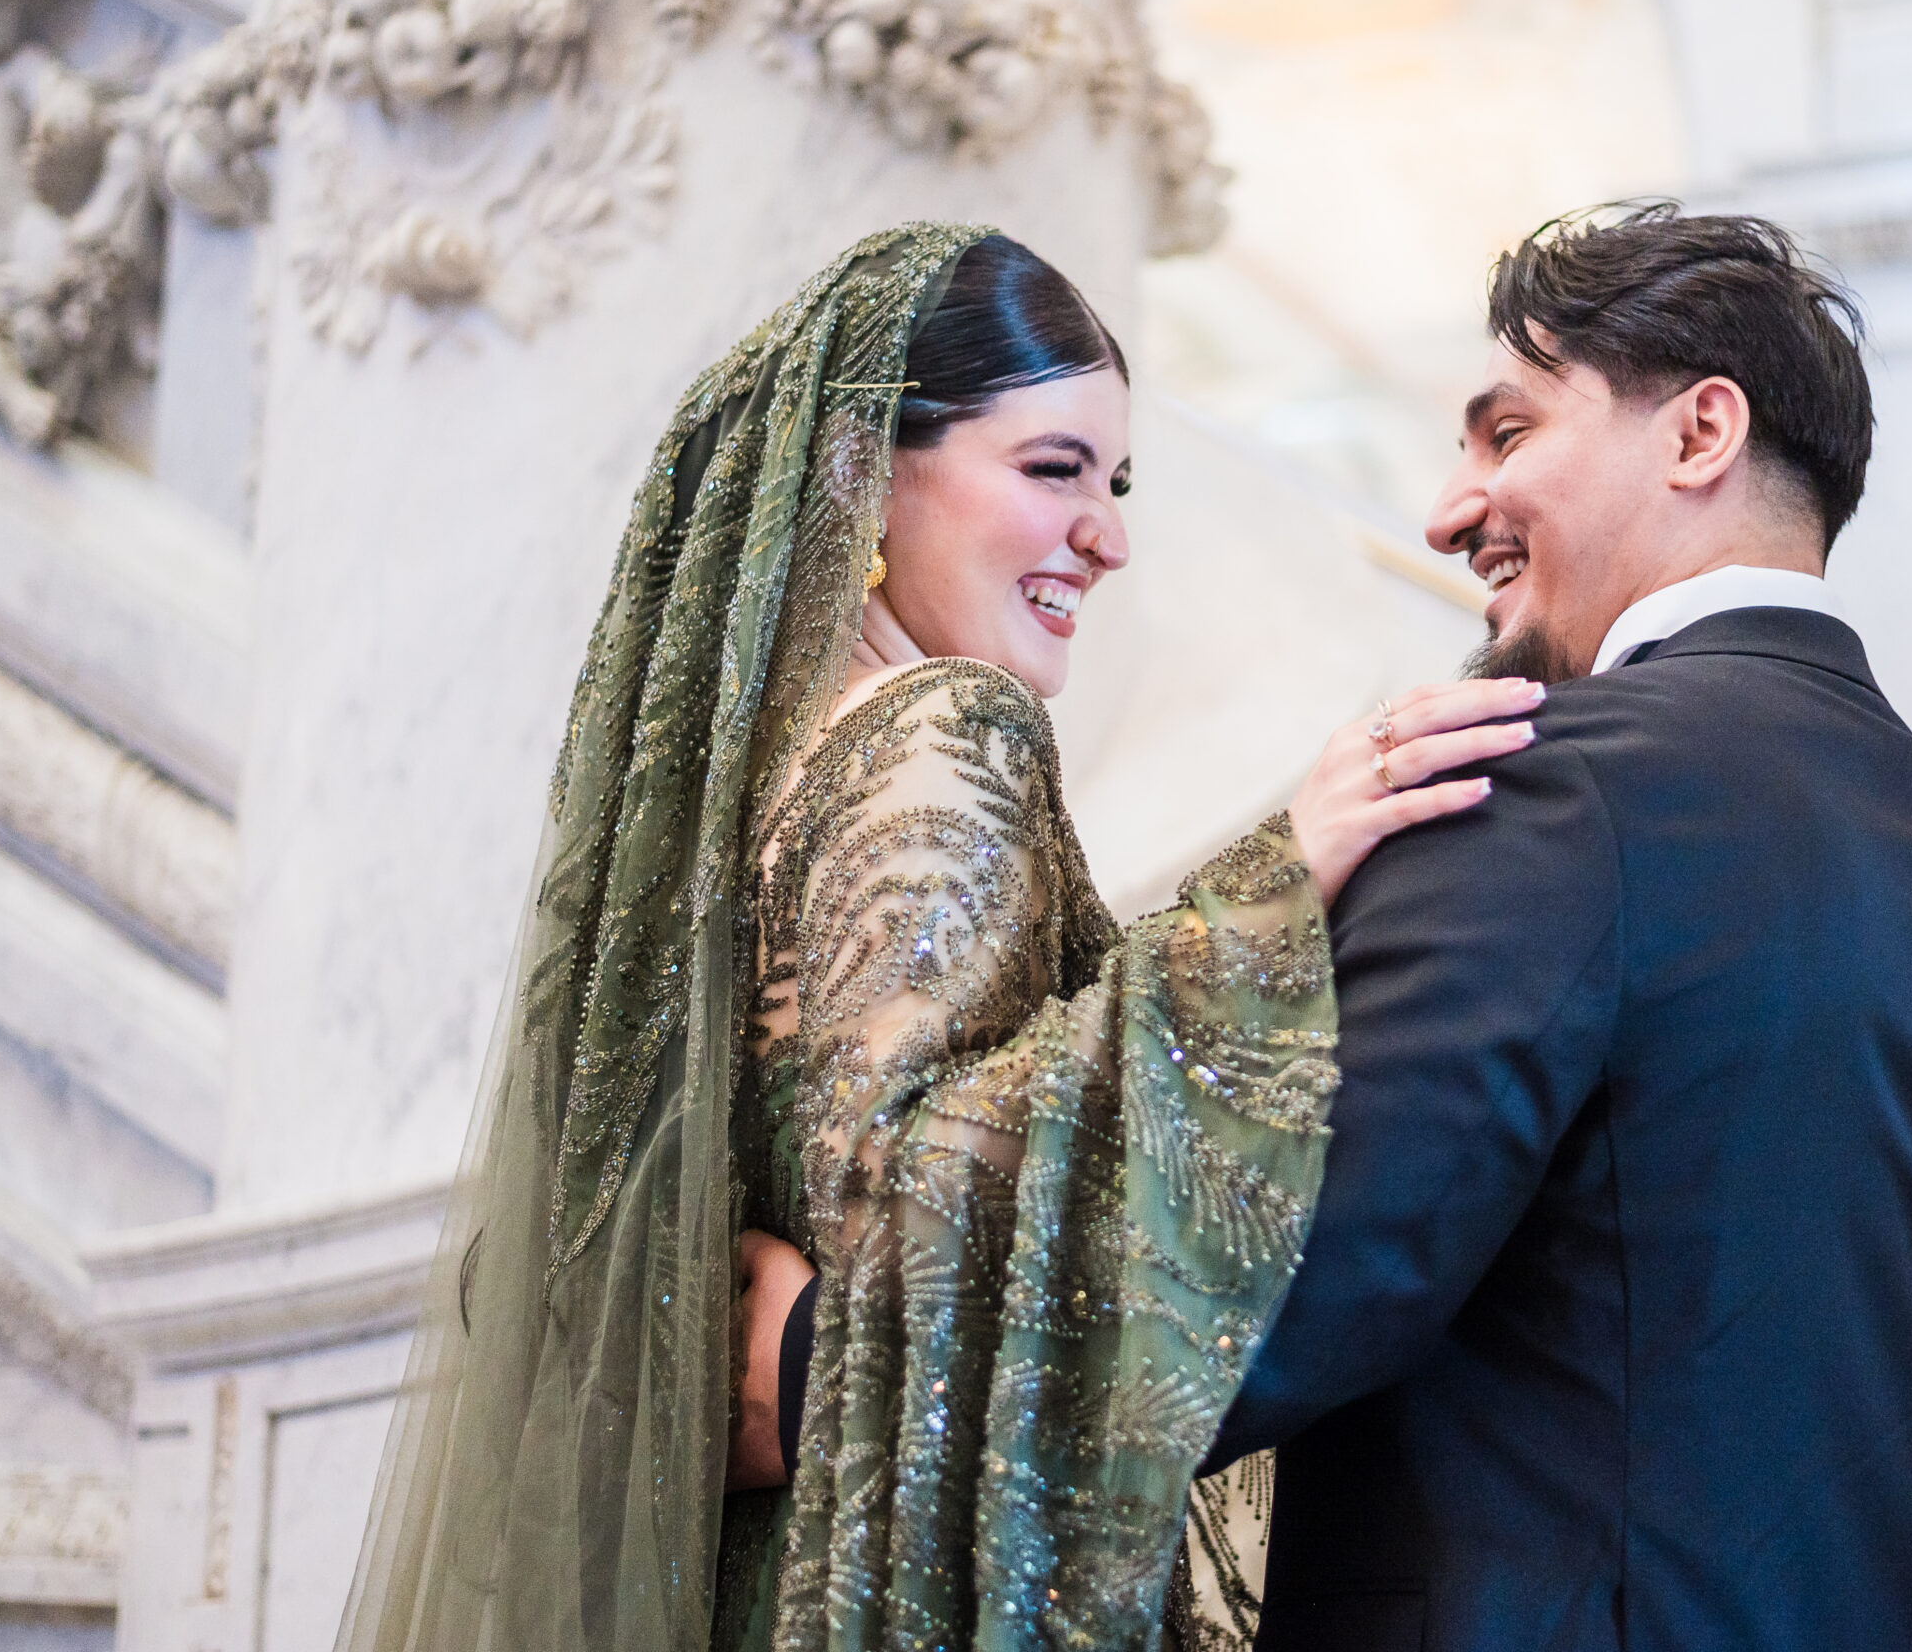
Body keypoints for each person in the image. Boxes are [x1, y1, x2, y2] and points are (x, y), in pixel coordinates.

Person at [334, 221, 1538, 1652]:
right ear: (860, 471)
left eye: (1116, 481)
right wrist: (1276, 888)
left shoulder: (744, 798)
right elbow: (912, 1193)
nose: (1109, 536)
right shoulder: (944, 728)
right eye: (1052, 470)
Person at [1201, 204, 1912, 1650]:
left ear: (1699, 436)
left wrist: (810, 1366)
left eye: (1505, 434)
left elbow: (1261, 1294)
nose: (1446, 508)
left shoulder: (1541, 784)